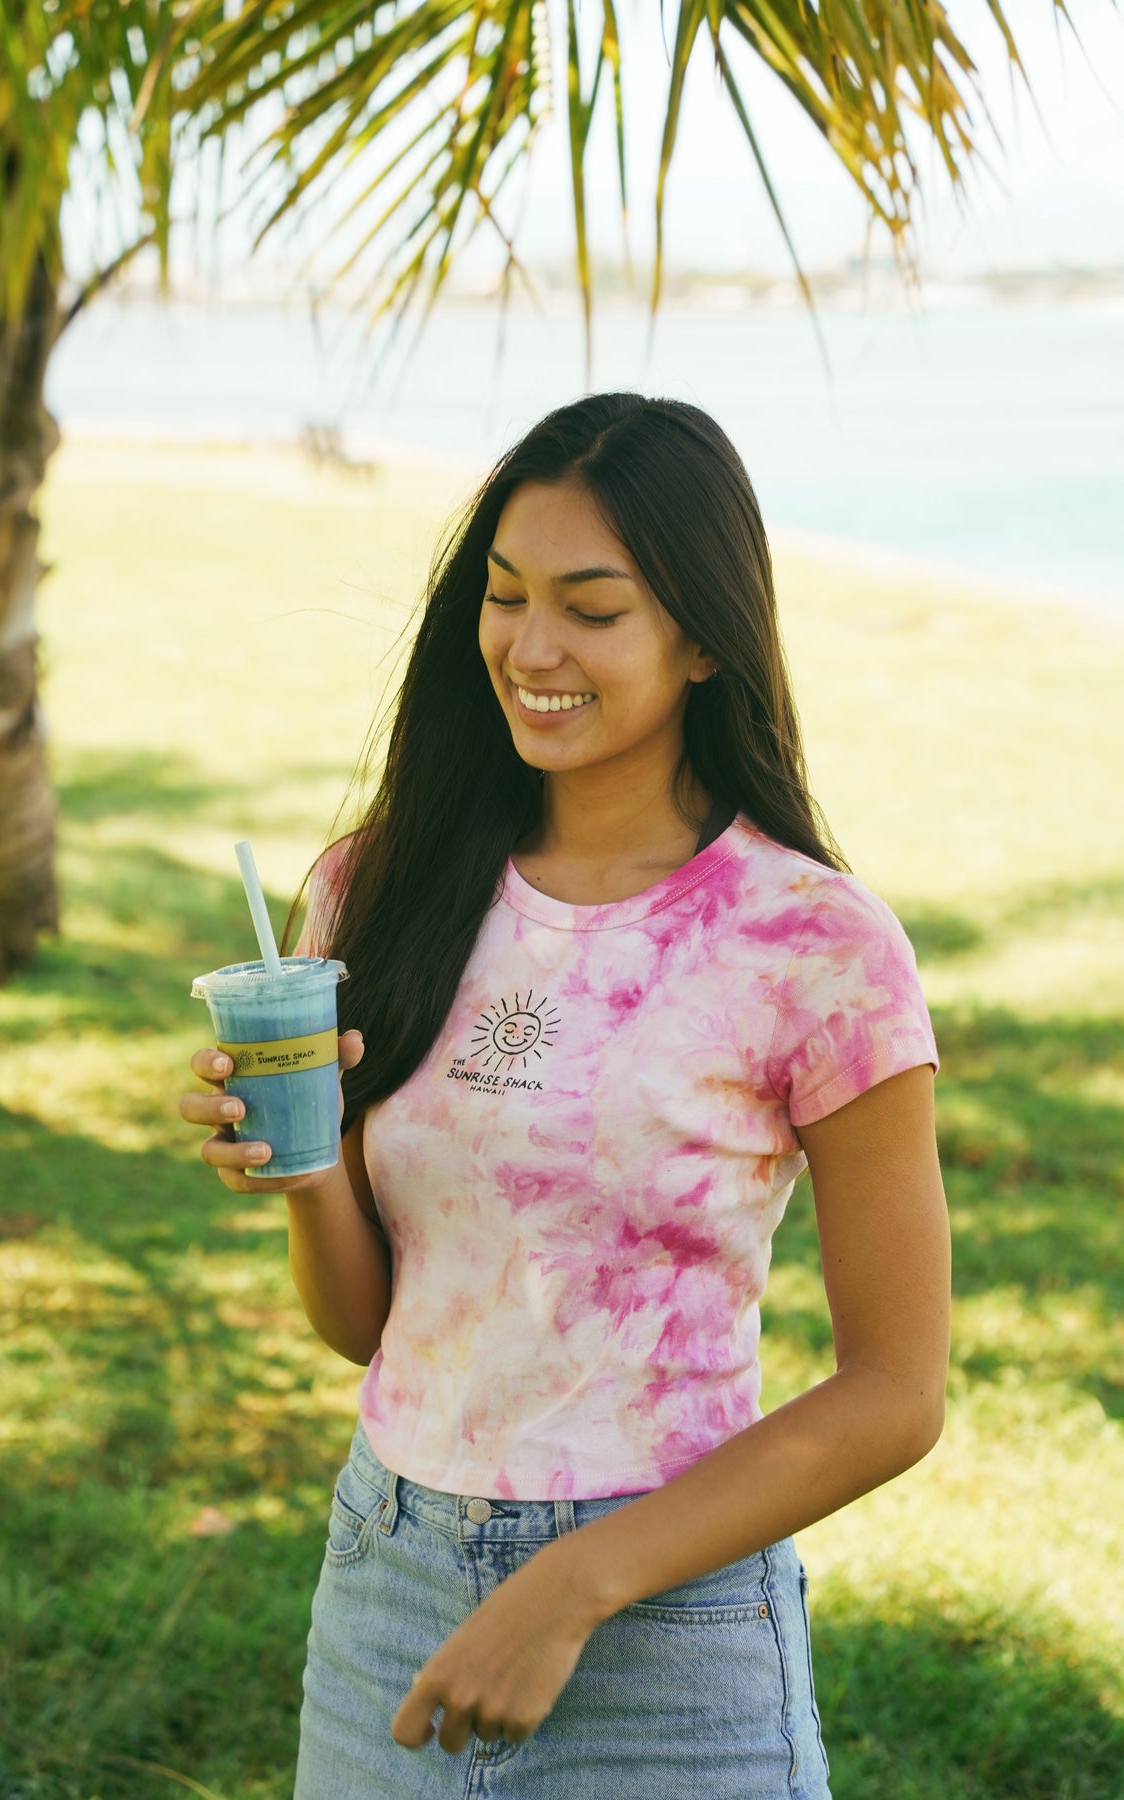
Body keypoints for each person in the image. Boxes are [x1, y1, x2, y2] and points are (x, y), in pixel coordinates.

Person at [179, 393, 950, 1798]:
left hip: (669, 1625)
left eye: (591, 609)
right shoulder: (375, 886)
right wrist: (309, 1175)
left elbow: (898, 1393)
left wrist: (577, 1584)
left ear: (704, 636)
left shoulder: (814, 945)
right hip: (389, 1586)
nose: (531, 650)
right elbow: (369, 1327)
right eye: (505, 596)